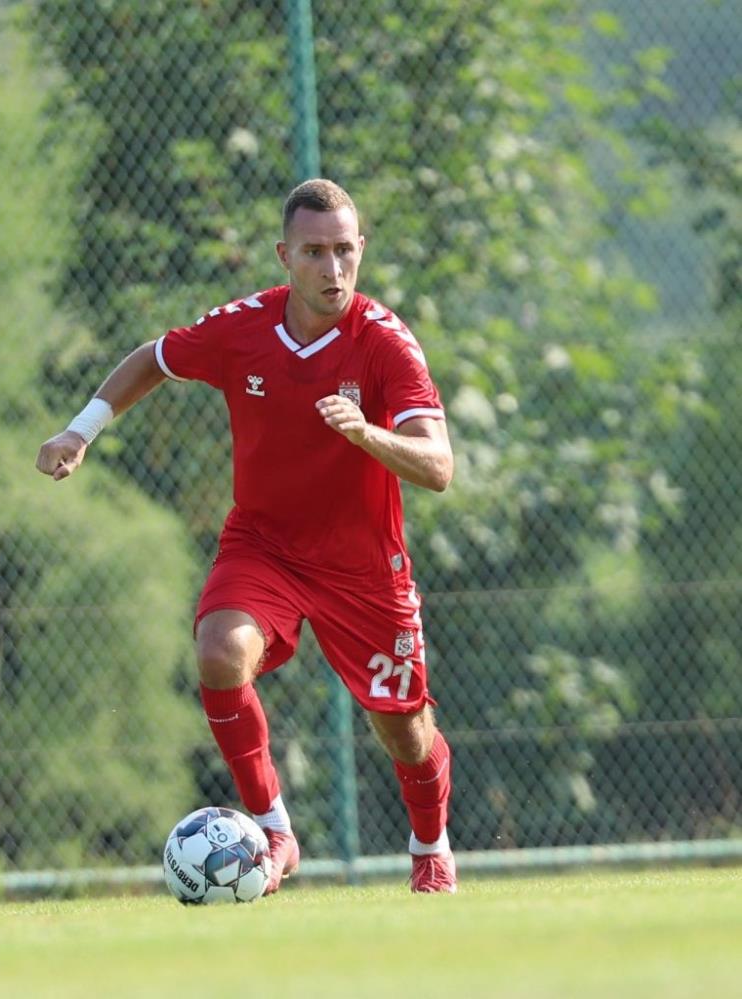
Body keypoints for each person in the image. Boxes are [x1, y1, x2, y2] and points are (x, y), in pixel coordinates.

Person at [36, 179, 457, 894]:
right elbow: (153, 359)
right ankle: (274, 828)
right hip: (265, 545)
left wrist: (367, 433)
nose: (332, 268)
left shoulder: (386, 343)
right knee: (219, 650)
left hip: (362, 565)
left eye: (344, 250)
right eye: (314, 252)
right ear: (284, 256)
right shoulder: (243, 327)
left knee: (404, 731)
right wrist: (80, 431)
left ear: (361, 249)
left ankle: (430, 845)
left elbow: (439, 467)